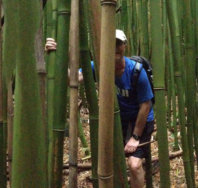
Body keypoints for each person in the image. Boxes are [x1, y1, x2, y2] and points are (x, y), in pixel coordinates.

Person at [46, 30, 154, 188]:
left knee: (134, 165)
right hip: (117, 120)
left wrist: (135, 137)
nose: (115, 47)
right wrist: (57, 55)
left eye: (118, 43)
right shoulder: (99, 66)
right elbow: (73, 79)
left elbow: (146, 105)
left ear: (125, 45)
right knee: (107, 162)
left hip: (141, 119)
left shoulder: (137, 71)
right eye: (111, 43)